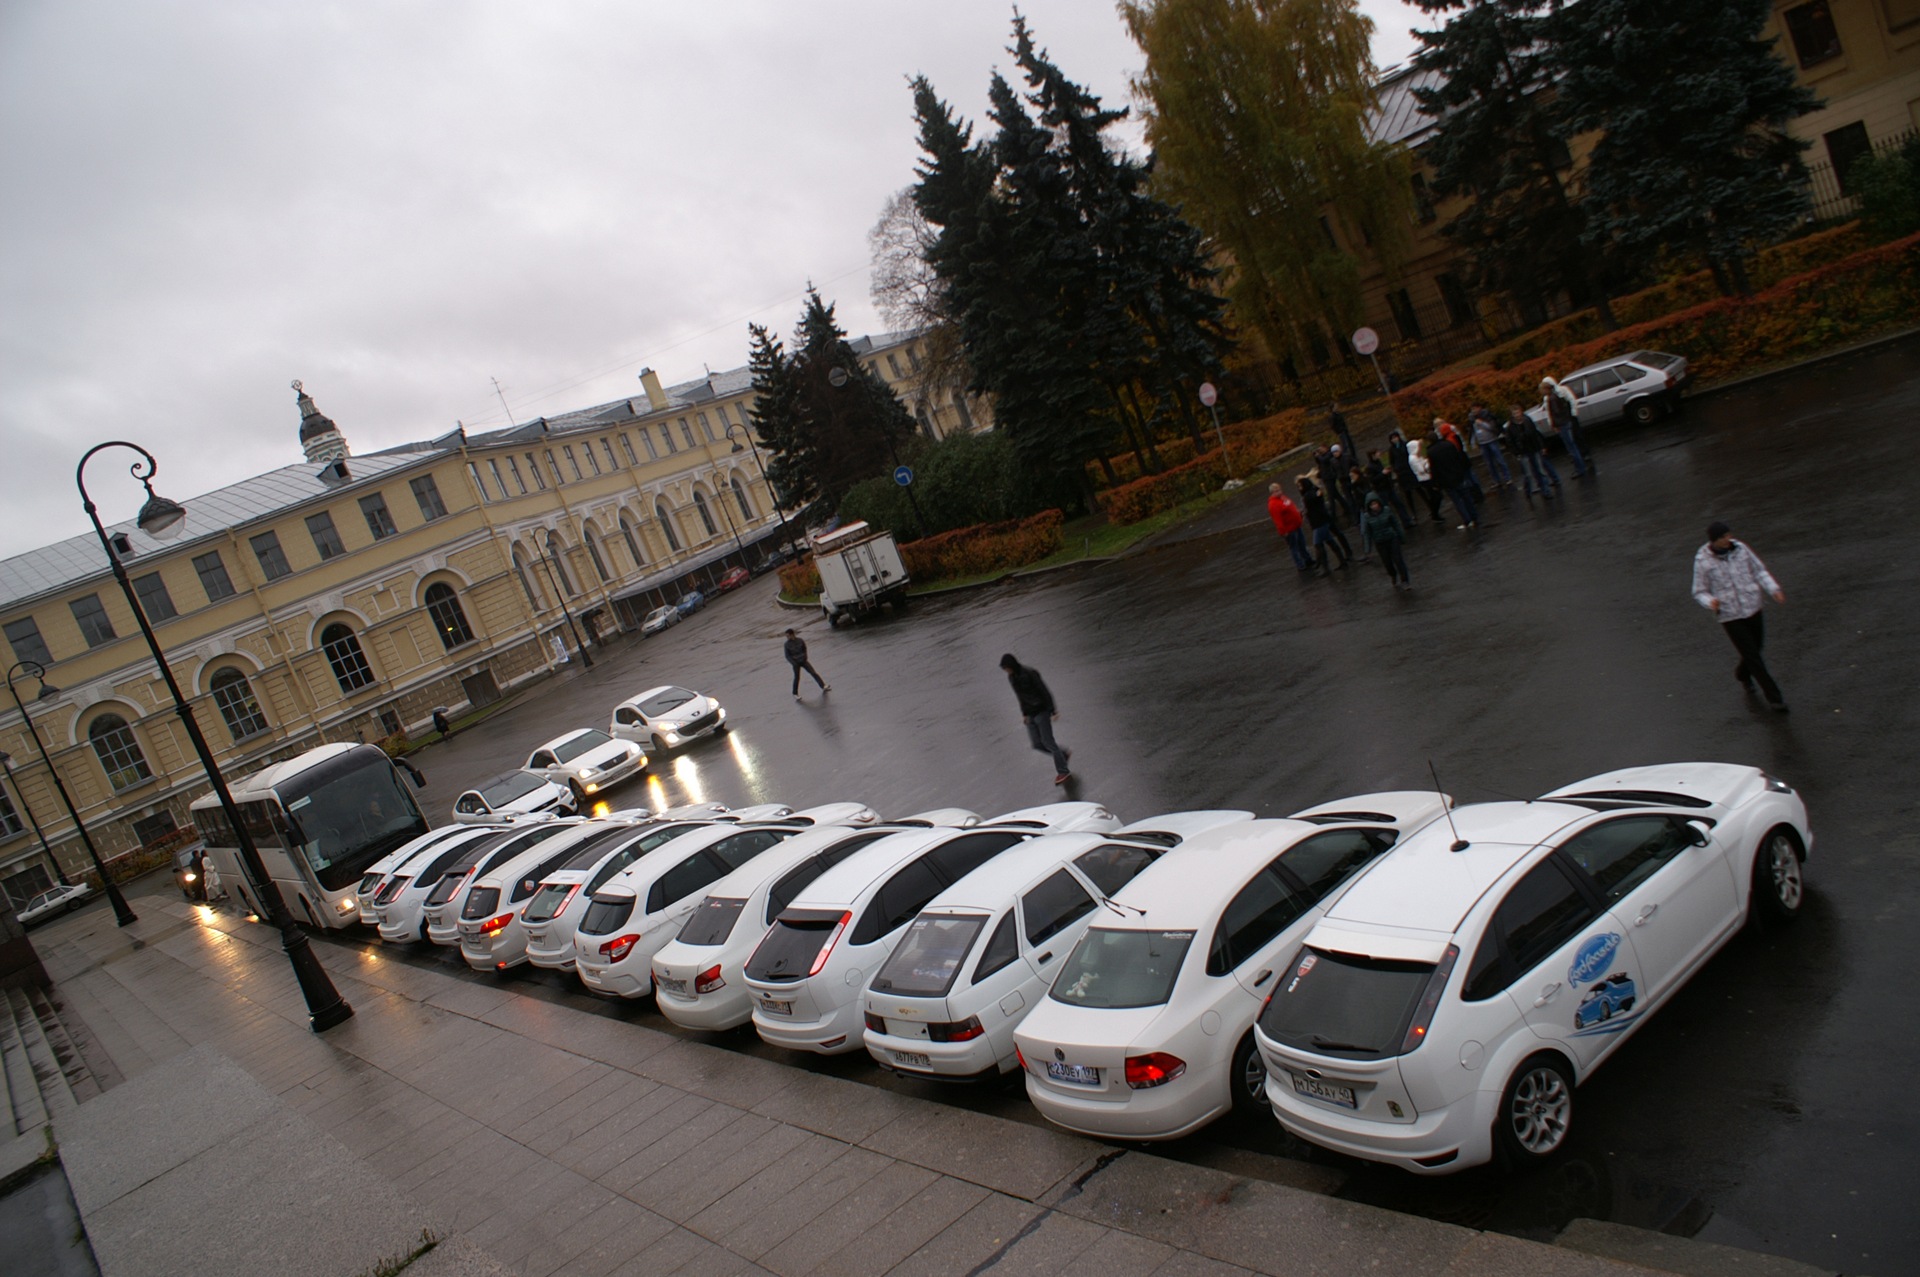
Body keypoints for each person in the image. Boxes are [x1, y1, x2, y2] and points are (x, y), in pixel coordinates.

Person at [1691, 522, 1788, 712]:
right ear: (1714, 541)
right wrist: (1710, 602)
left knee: (1756, 648)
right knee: (1753, 656)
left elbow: (1759, 571)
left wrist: (1773, 589)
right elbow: (1699, 591)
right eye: (1723, 537)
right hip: (1730, 615)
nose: (1728, 539)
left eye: (1728, 535)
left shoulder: (1741, 549)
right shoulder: (1703, 561)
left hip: (1753, 607)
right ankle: (1775, 698)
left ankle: (1742, 674)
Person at [1000, 654, 1072, 783]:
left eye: (1007, 668)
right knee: (1037, 744)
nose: (1006, 671)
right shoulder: (1012, 678)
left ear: (1012, 665)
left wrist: (1052, 710)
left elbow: (1044, 691)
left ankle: (1063, 772)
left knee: (1048, 742)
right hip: (1030, 714)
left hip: (1041, 711)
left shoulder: (1030, 673)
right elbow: (1019, 696)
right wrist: (1024, 713)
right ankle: (1063, 755)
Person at [1426, 429, 1478, 528]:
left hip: (1447, 480)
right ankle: (1474, 516)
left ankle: (1467, 520)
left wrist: (1436, 483)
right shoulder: (1448, 444)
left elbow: (1434, 469)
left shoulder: (1431, 452)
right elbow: (1457, 458)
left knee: (1457, 500)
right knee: (1466, 496)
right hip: (1458, 475)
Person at [1298, 477, 1352, 573]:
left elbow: (1310, 505)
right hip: (1323, 519)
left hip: (1318, 522)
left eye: (1300, 486)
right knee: (1330, 540)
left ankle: (1325, 567)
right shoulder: (1314, 491)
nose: (1299, 488)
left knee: (1318, 544)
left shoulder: (1308, 496)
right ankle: (1342, 560)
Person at [1540, 377, 1591, 477]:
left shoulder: (1555, 396)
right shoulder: (1553, 396)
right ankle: (1581, 463)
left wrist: (1572, 415)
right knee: (1572, 445)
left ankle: (1581, 465)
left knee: (1572, 445)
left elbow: (1555, 412)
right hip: (1566, 421)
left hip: (1564, 423)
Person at [1508, 405, 1560, 498]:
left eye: (1518, 413)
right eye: (1514, 414)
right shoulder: (1511, 427)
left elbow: (1536, 434)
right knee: (1528, 474)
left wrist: (1542, 446)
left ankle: (1546, 491)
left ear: (1521, 412)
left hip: (1534, 448)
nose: (1517, 415)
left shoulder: (1528, 421)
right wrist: (1516, 453)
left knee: (1540, 470)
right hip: (1523, 451)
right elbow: (1511, 442)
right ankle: (1528, 490)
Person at [1360, 496, 1410, 590]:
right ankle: (1393, 574)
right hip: (1380, 542)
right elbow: (1367, 534)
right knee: (1387, 562)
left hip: (1391, 538)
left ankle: (1405, 580)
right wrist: (1367, 549)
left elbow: (1395, 524)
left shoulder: (1386, 510)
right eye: (1372, 505)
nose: (1374, 506)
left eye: (1375, 503)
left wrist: (1401, 536)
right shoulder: (1367, 517)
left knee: (1398, 560)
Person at [1267, 483, 1312, 571]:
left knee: (1302, 544)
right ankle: (1300, 564)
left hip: (1296, 525)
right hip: (1289, 529)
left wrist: (1298, 515)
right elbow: (1277, 520)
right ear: (1272, 493)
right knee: (1294, 547)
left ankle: (1308, 560)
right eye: (1276, 491)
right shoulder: (1273, 505)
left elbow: (1292, 507)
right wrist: (1283, 532)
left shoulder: (1283, 498)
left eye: (1279, 490)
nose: (1279, 492)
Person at [1469, 405, 1512, 488]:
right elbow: (1473, 431)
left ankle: (1508, 477)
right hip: (1482, 443)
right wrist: (1473, 442)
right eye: (1472, 409)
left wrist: (1481, 423)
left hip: (1491, 440)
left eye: (1475, 408)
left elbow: (1492, 427)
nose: (1473, 411)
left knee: (1500, 460)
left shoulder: (1487, 415)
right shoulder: (1472, 419)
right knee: (1489, 463)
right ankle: (1496, 480)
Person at [1405, 437, 1445, 522]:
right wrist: (1428, 463)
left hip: (1427, 478)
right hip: (1425, 479)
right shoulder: (1413, 459)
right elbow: (1421, 470)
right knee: (1436, 496)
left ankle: (1435, 513)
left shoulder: (1416, 456)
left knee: (1435, 496)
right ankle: (1434, 514)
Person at [782, 628, 830, 699]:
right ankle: (795, 693)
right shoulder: (786, 644)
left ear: (792, 634)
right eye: (786, 636)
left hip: (803, 661)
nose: (787, 637)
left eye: (788, 636)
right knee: (797, 677)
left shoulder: (800, 640)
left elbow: (804, 649)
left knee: (813, 673)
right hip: (796, 663)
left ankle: (823, 686)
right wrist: (794, 663)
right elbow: (787, 656)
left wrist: (805, 657)